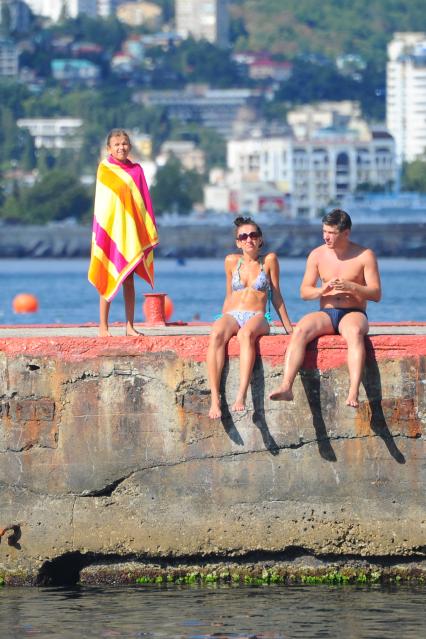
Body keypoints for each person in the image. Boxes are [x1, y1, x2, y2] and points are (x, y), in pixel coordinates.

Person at [270, 208, 381, 408]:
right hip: (326, 313)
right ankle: (286, 386)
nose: (326, 237)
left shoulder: (365, 255)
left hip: (353, 312)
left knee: (354, 332)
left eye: (331, 232)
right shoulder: (317, 255)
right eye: (324, 231)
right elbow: (305, 292)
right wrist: (322, 290)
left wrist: (352, 287)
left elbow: (376, 294)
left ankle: (353, 391)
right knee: (301, 329)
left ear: (346, 233)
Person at [207, 216, 293, 419]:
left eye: (253, 235)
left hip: (258, 316)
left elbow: (276, 294)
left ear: (260, 239)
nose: (249, 239)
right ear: (238, 242)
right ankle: (215, 399)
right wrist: (222, 319)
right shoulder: (231, 261)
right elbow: (229, 295)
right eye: (243, 236)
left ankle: (241, 395)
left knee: (245, 335)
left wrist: (289, 327)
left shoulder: (269, 260)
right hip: (233, 314)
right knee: (216, 334)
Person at [88, 129, 158, 337]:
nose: (121, 147)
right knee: (107, 275)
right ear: (109, 148)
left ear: (130, 146)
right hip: (110, 232)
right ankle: (103, 327)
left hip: (130, 233)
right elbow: (103, 205)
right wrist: (105, 231)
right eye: (117, 144)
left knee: (129, 280)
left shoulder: (137, 171)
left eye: (125, 143)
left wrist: (146, 229)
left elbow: (143, 203)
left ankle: (129, 326)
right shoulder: (105, 169)